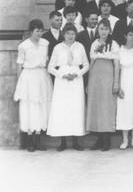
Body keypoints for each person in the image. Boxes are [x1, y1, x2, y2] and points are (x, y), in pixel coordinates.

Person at [47, 23, 88, 151]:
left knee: (76, 108)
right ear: (63, 34)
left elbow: (86, 65)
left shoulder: (79, 46)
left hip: (76, 80)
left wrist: (77, 73)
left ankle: (76, 141)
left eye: (73, 34)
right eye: (68, 33)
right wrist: (62, 75)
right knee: (63, 108)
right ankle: (63, 141)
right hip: (62, 81)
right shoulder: (58, 48)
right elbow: (50, 67)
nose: (70, 36)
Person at [14, 20, 54, 152]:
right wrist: (20, 84)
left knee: (41, 106)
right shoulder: (24, 46)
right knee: (30, 106)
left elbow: (46, 61)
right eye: (37, 31)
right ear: (31, 31)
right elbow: (20, 65)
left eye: (41, 31)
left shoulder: (45, 43)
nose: (39, 33)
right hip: (29, 77)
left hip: (42, 76)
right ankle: (30, 140)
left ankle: (38, 140)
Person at [86, 18, 120, 151]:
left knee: (107, 107)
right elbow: (91, 62)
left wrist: (116, 82)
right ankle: (98, 139)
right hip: (95, 77)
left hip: (108, 76)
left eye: (106, 29)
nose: (103, 31)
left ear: (110, 30)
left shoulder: (114, 44)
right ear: (97, 30)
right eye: (101, 29)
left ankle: (107, 139)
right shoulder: (94, 43)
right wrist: (89, 82)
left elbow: (116, 64)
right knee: (96, 108)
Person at [116, 26, 133, 149]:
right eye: (130, 35)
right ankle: (125, 140)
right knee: (124, 109)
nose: (132, 38)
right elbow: (117, 69)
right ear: (125, 36)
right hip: (124, 81)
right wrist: (118, 86)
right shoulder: (119, 50)